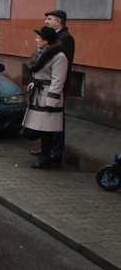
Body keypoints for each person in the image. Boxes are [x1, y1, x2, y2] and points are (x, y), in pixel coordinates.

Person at [23, 26, 68, 169]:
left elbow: (58, 80)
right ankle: (44, 153)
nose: (36, 40)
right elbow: (40, 75)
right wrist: (33, 83)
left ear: (46, 41)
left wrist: (52, 100)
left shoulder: (59, 57)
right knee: (40, 128)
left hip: (47, 96)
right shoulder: (40, 53)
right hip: (39, 95)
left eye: (39, 38)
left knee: (46, 129)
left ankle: (45, 157)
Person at [36, 9, 76, 163]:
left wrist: (57, 90)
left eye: (49, 19)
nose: (46, 22)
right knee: (47, 118)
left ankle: (56, 150)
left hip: (57, 86)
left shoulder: (65, 38)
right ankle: (47, 147)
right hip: (47, 85)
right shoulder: (54, 37)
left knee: (56, 118)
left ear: (58, 22)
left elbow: (62, 66)